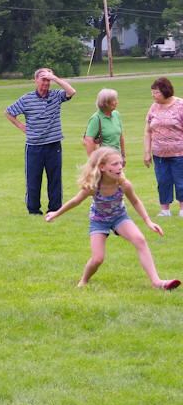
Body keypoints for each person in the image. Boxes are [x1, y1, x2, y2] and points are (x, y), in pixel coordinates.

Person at [45, 146, 179, 291]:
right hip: (98, 221)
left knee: (140, 239)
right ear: (102, 167)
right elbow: (75, 201)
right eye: (114, 164)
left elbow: (135, 202)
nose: (119, 167)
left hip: (119, 218)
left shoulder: (124, 185)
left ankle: (156, 282)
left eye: (120, 163)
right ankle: (84, 280)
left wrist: (148, 221)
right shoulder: (93, 186)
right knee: (98, 259)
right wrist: (56, 213)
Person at [5, 68, 76, 214]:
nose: (46, 83)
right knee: (33, 179)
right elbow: (9, 112)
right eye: (43, 80)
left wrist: (55, 78)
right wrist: (21, 127)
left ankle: (55, 209)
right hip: (34, 146)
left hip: (53, 145)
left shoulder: (56, 95)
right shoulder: (27, 99)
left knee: (55, 179)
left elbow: (71, 92)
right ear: (36, 81)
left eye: (48, 80)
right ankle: (33, 209)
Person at [143, 77, 183, 217]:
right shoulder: (154, 107)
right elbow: (148, 131)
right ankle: (165, 210)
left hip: (179, 153)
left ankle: (182, 210)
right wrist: (147, 152)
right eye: (152, 92)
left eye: (156, 92)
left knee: (181, 181)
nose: (153, 95)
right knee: (162, 181)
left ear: (166, 91)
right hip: (159, 154)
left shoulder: (180, 105)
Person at [84, 88, 125, 162]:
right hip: (103, 159)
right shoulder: (96, 118)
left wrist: (123, 156)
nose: (117, 102)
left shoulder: (116, 114)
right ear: (106, 103)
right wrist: (93, 162)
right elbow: (88, 141)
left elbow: (121, 137)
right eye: (114, 100)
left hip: (117, 158)